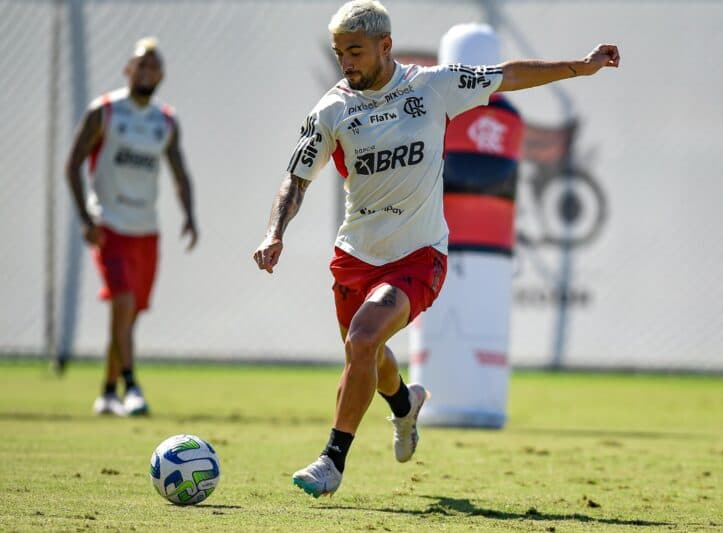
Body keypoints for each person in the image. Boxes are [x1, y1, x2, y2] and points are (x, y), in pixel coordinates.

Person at [252, 0, 619, 498]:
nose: (347, 63)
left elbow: (507, 75)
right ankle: (405, 406)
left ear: (386, 46)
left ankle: (331, 460)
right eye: (340, 53)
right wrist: (275, 232)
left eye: (355, 51)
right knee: (368, 354)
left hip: (419, 255)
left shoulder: (432, 86)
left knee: (362, 341)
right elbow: (295, 179)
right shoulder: (331, 109)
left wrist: (582, 65)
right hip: (355, 255)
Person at [65, 37, 198, 417]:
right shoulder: (104, 112)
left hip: (147, 230)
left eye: (154, 67)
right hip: (109, 226)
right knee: (122, 305)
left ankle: (107, 393)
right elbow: (71, 165)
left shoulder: (165, 120)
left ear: (162, 75)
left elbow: (179, 171)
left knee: (128, 315)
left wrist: (189, 214)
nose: (146, 72)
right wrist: (86, 219)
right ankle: (132, 387)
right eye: (141, 65)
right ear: (128, 70)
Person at [409, 22, 524, 429]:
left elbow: (476, 173)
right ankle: (436, 403)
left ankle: (463, 403)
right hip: (445, 244)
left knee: (470, 328)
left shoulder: (487, 114)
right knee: (441, 328)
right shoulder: (455, 110)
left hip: (468, 247)